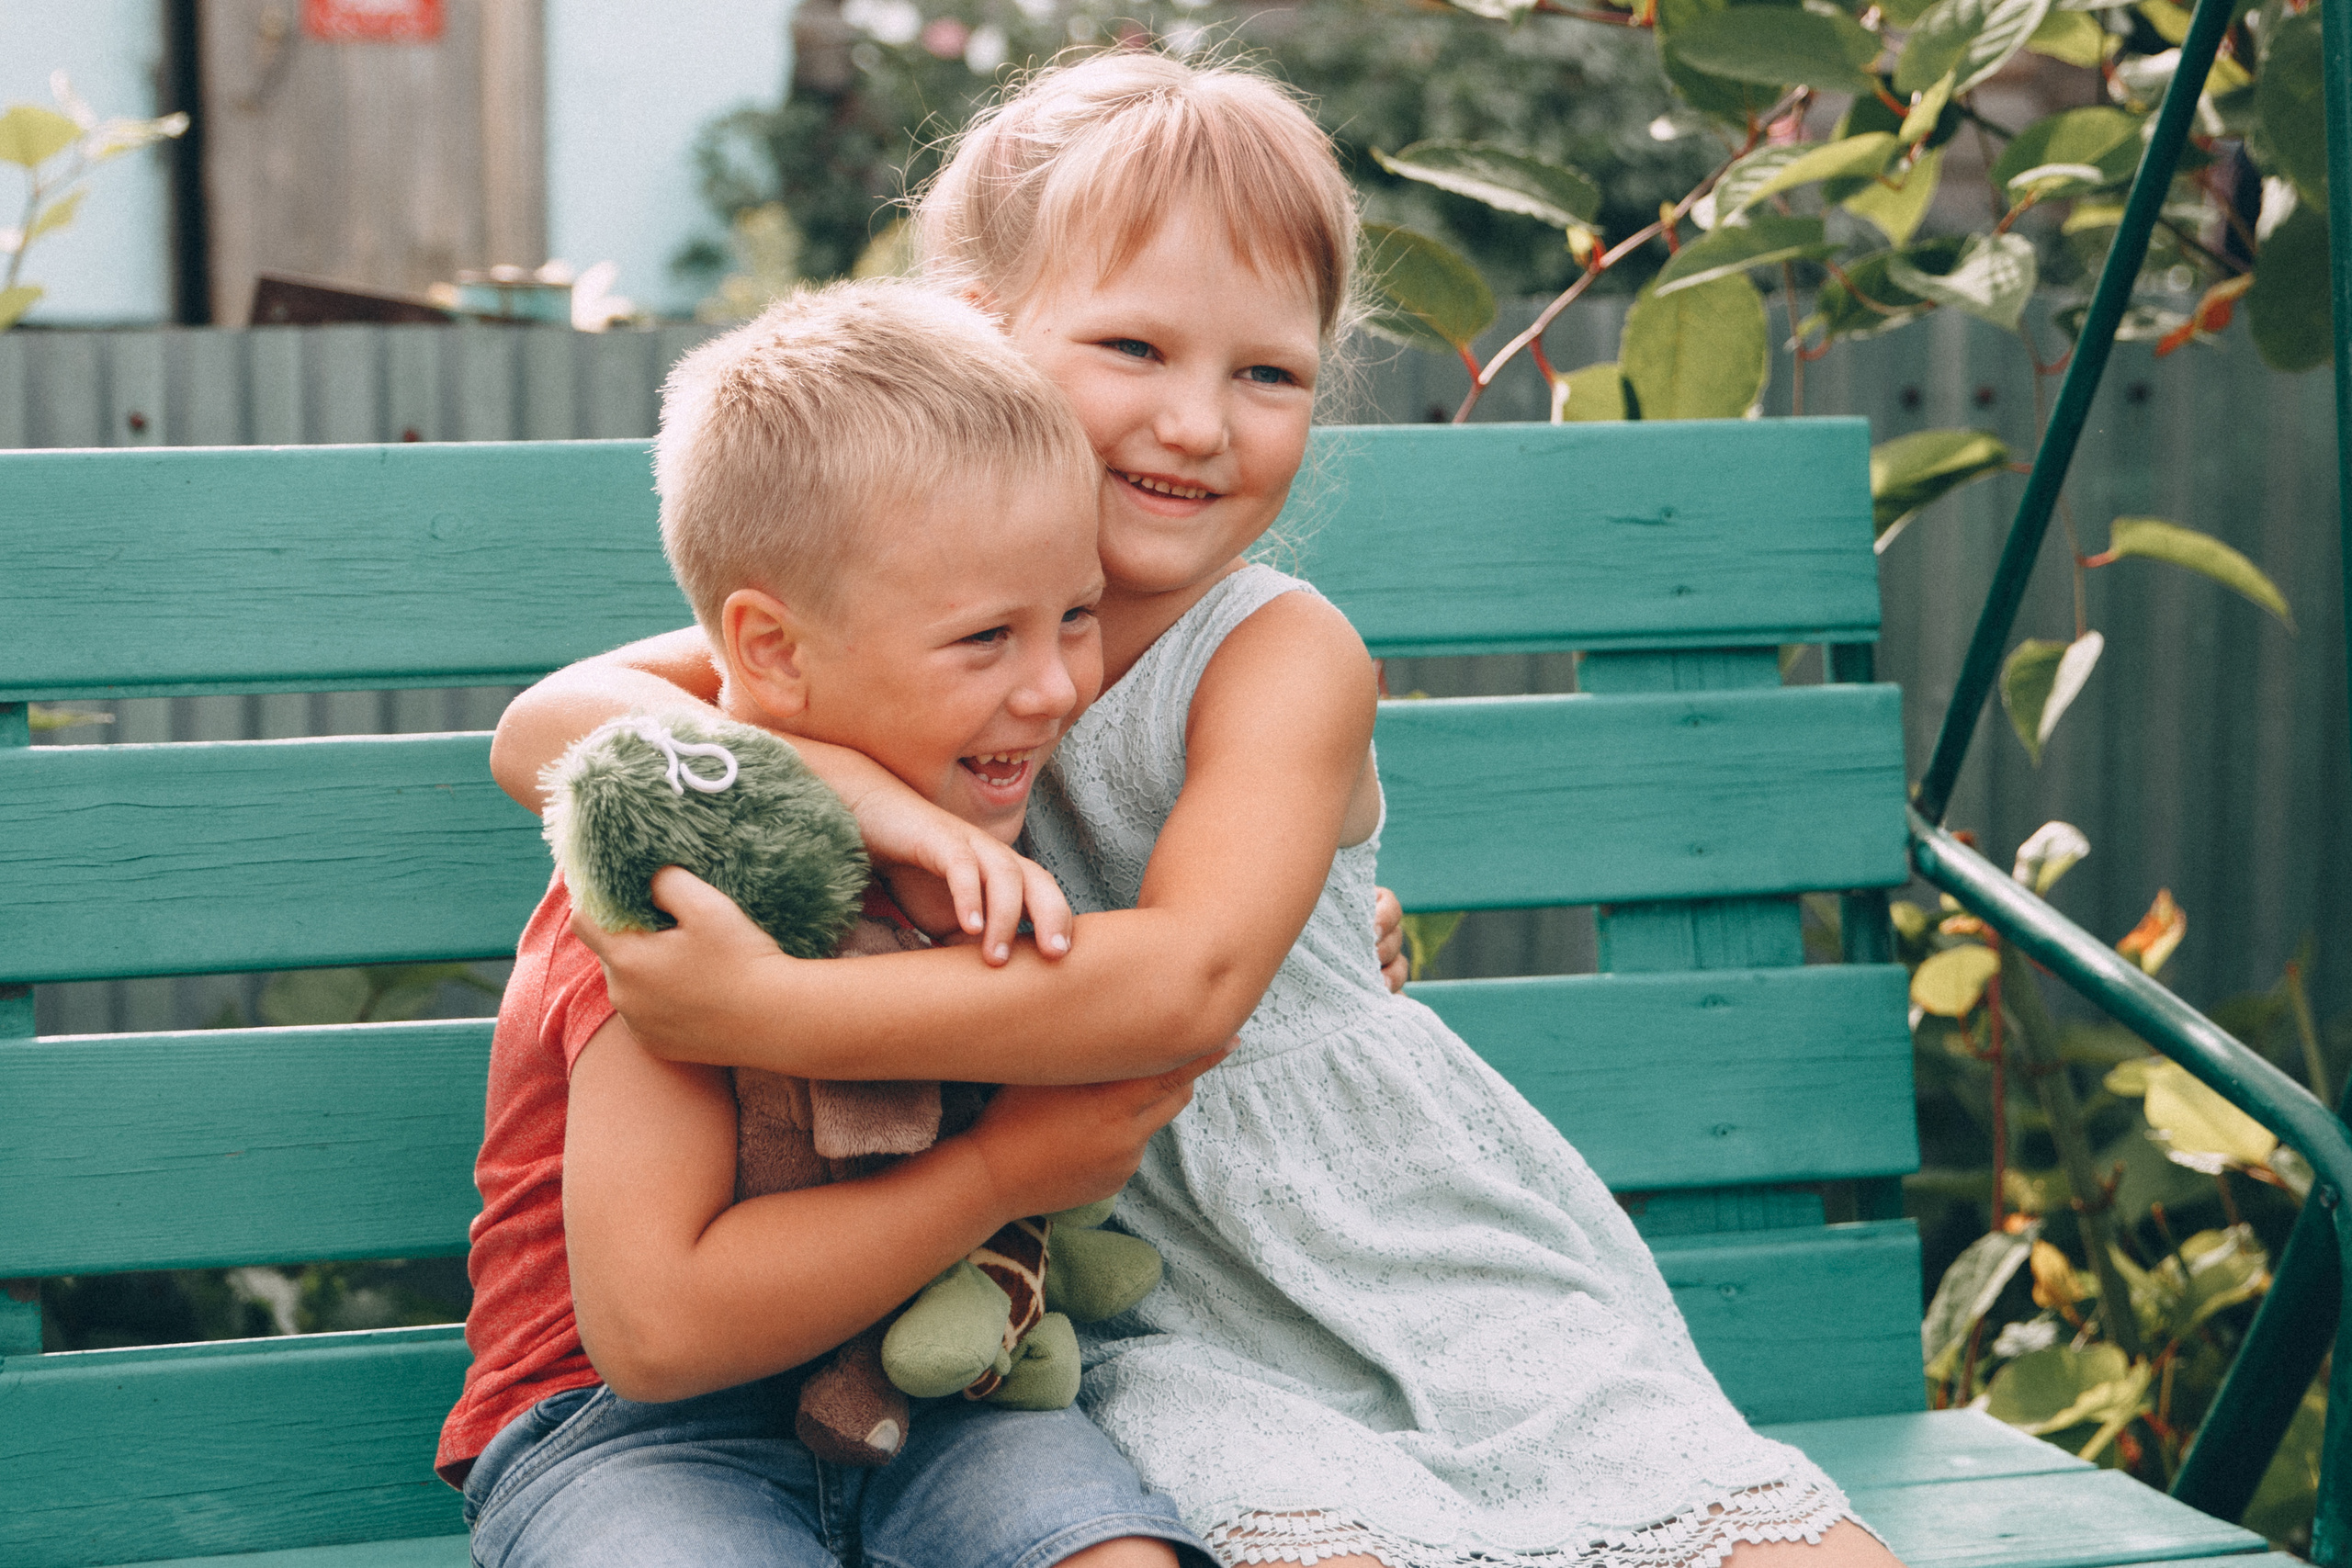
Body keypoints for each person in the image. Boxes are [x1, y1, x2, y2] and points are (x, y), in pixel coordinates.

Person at [490, 49, 1905, 1568]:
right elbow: (549, 724)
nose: (1196, 423)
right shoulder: (908, 628)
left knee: (1735, 1531)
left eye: (1268, 374)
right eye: (1135, 347)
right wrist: (862, 797)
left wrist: (772, 1012)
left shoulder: (1279, 651)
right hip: (1135, 1293)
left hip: (1386, 1235)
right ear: (977, 340)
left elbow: (1188, 984)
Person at [442, 279, 1225, 1568]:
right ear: (774, 650)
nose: (1054, 687)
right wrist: (1001, 1175)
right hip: (638, 1437)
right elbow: (656, 1331)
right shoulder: (674, 892)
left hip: (946, 1407)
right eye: (986, 637)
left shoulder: (990, 816)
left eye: (1077, 616)